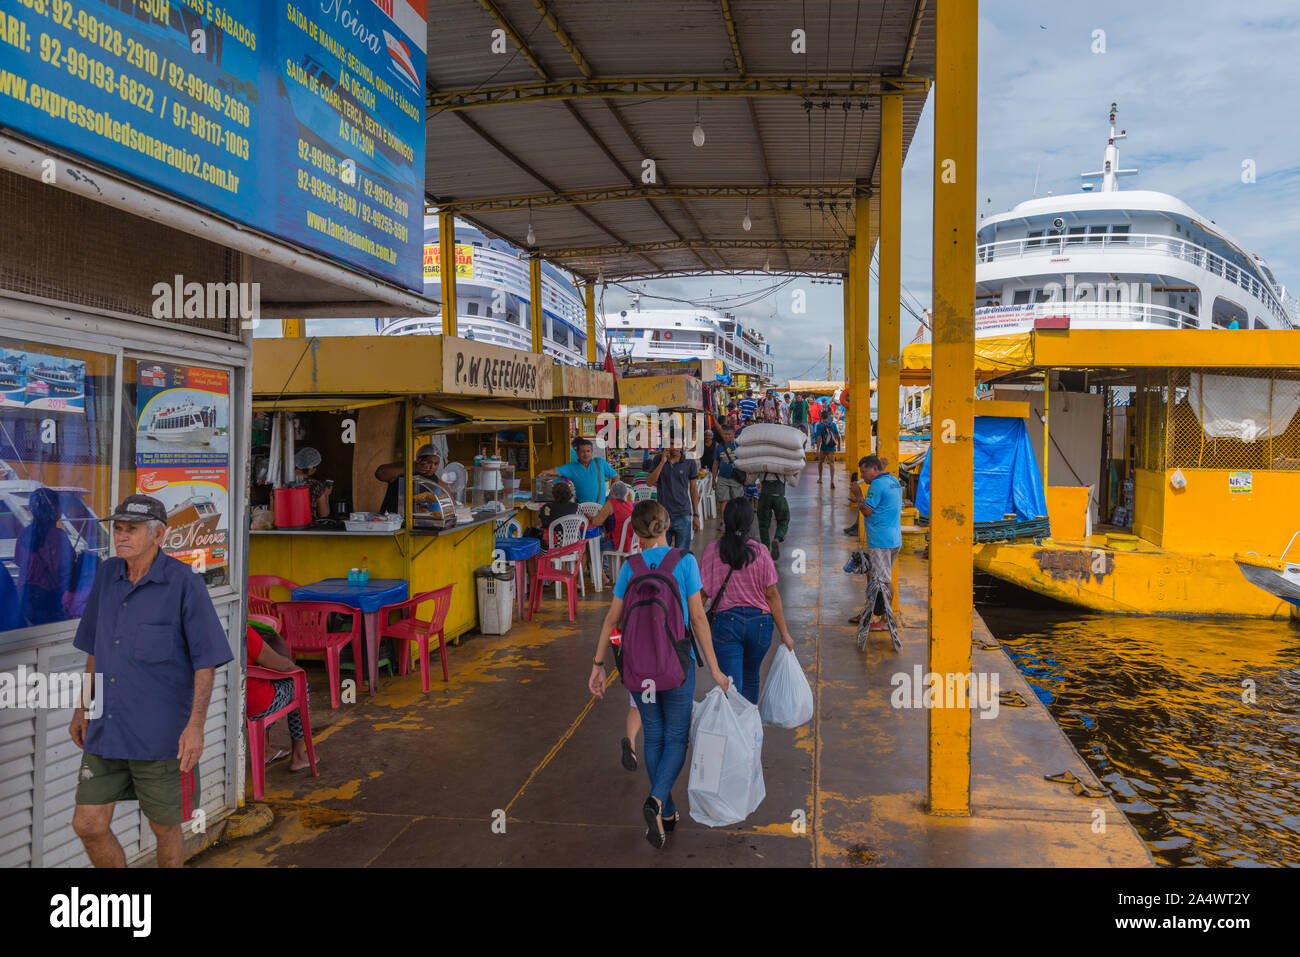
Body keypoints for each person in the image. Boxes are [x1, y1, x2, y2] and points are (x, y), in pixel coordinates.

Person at [70, 494, 233, 868]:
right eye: (118, 528)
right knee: (89, 824)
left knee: (164, 828)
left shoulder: (183, 583)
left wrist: (196, 726)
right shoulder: (108, 576)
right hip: (105, 728)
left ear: (159, 534)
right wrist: (82, 707)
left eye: (132, 529)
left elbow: (205, 662)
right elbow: (95, 647)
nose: (121, 536)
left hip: (161, 737)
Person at [589, 501, 729, 848]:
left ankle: (666, 811)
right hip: (676, 664)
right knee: (677, 736)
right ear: (667, 525)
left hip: (639, 666)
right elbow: (697, 619)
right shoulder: (684, 561)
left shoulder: (630, 567)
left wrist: (598, 665)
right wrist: (714, 669)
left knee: (653, 734)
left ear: (634, 532)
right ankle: (655, 801)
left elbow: (611, 620)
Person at [700, 498, 796, 704]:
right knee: (752, 677)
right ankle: (748, 729)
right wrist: (785, 634)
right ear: (749, 522)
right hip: (760, 624)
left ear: (725, 520)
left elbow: (702, 595)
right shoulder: (761, 551)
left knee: (730, 684)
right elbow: (771, 595)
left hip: (726, 624)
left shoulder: (712, 550)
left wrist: (686, 624)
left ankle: (733, 729)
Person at [246, 622, 312, 772]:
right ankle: (299, 757)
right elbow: (281, 665)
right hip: (256, 707)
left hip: (230, 711)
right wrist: (297, 671)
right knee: (300, 685)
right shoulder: (243, 632)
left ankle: (265, 751)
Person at [848, 455, 903, 629]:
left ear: (874, 469)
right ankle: (869, 613)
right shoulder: (893, 480)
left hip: (881, 541)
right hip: (893, 538)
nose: (862, 476)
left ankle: (886, 620)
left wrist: (858, 495)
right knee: (873, 575)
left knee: (883, 580)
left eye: (864, 472)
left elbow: (867, 511)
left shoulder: (877, 485)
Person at [15, 486, 75, 626]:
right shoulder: (58, 537)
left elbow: (19, 563)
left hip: (24, 596)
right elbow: (67, 568)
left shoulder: (24, 534)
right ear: (55, 510)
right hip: (48, 599)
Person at [645, 440, 701, 553]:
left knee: (682, 555)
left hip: (683, 515)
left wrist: (696, 515)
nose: (674, 447)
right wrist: (662, 462)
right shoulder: (657, 459)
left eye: (677, 444)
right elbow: (649, 482)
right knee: (663, 553)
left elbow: (694, 490)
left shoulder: (689, 462)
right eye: (671, 444)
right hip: (663, 517)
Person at [538, 437, 618, 506]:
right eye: (582, 451)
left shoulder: (600, 462)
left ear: (592, 452)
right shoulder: (572, 467)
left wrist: (611, 496)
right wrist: (545, 471)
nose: (585, 454)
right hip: (581, 509)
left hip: (600, 509)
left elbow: (615, 476)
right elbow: (557, 470)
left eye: (588, 451)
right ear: (577, 453)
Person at [375, 444, 449, 514]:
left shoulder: (433, 478)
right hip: (391, 520)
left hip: (416, 522)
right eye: (429, 462)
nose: (432, 467)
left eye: (436, 464)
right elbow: (380, 473)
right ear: (419, 460)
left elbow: (447, 495)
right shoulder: (404, 468)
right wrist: (413, 467)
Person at [711, 422, 746, 518]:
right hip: (722, 477)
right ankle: (724, 523)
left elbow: (745, 461)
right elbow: (715, 463)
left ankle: (737, 522)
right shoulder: (719, 447)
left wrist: (747, 477)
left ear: (733, 434)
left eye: (728, 434)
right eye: (724, 434)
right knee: (724, 501)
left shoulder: (739, 445)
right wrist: (714, 479)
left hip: (736, 478)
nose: (726, 436)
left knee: (737, 501)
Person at [755, 470, 790, 560]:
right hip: (779, 497)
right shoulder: (782, 467)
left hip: (764, 496)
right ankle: (777, 538)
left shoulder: (761, 466)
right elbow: (793, 483)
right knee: (783, 520)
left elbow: (750, 480)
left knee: (763, 524)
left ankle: (766, 551)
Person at [294, 447, 331, 519]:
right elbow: (324, 515)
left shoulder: (281, 483)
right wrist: (326, 495)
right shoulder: (316, 486)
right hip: (308, 528)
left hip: (282, 528)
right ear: (311, 470)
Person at [814, 414, 841, 487]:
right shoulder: (833, 424)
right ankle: (832, 480)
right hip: (832, 447)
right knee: (832, 463)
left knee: (820, 462)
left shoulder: (819, 425)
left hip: (823, 447)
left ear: (821, 417)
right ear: (827, 417)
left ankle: (820, 478)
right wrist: (839, 446)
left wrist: (817, 449)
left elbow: (819, 438)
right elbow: (838, 436)